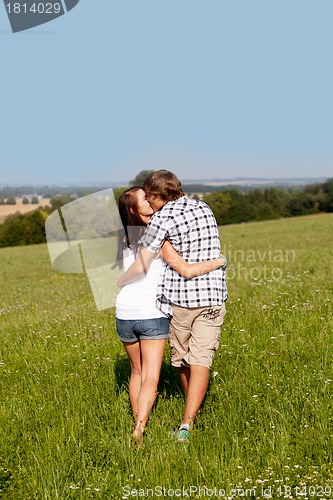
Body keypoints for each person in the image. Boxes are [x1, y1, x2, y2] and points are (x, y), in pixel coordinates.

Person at [117, 171, 228, 442]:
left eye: (149, 197)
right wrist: (218, 262)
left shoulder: (142, 230)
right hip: (195, 300)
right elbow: (187, 261)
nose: (149, 204)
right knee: (191, 362)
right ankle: (182, 422)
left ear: (156, 196)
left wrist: (119, 281)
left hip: (152, 306)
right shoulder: (202, 207)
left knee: (159, 367)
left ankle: (144, 425)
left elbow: (140, 264)